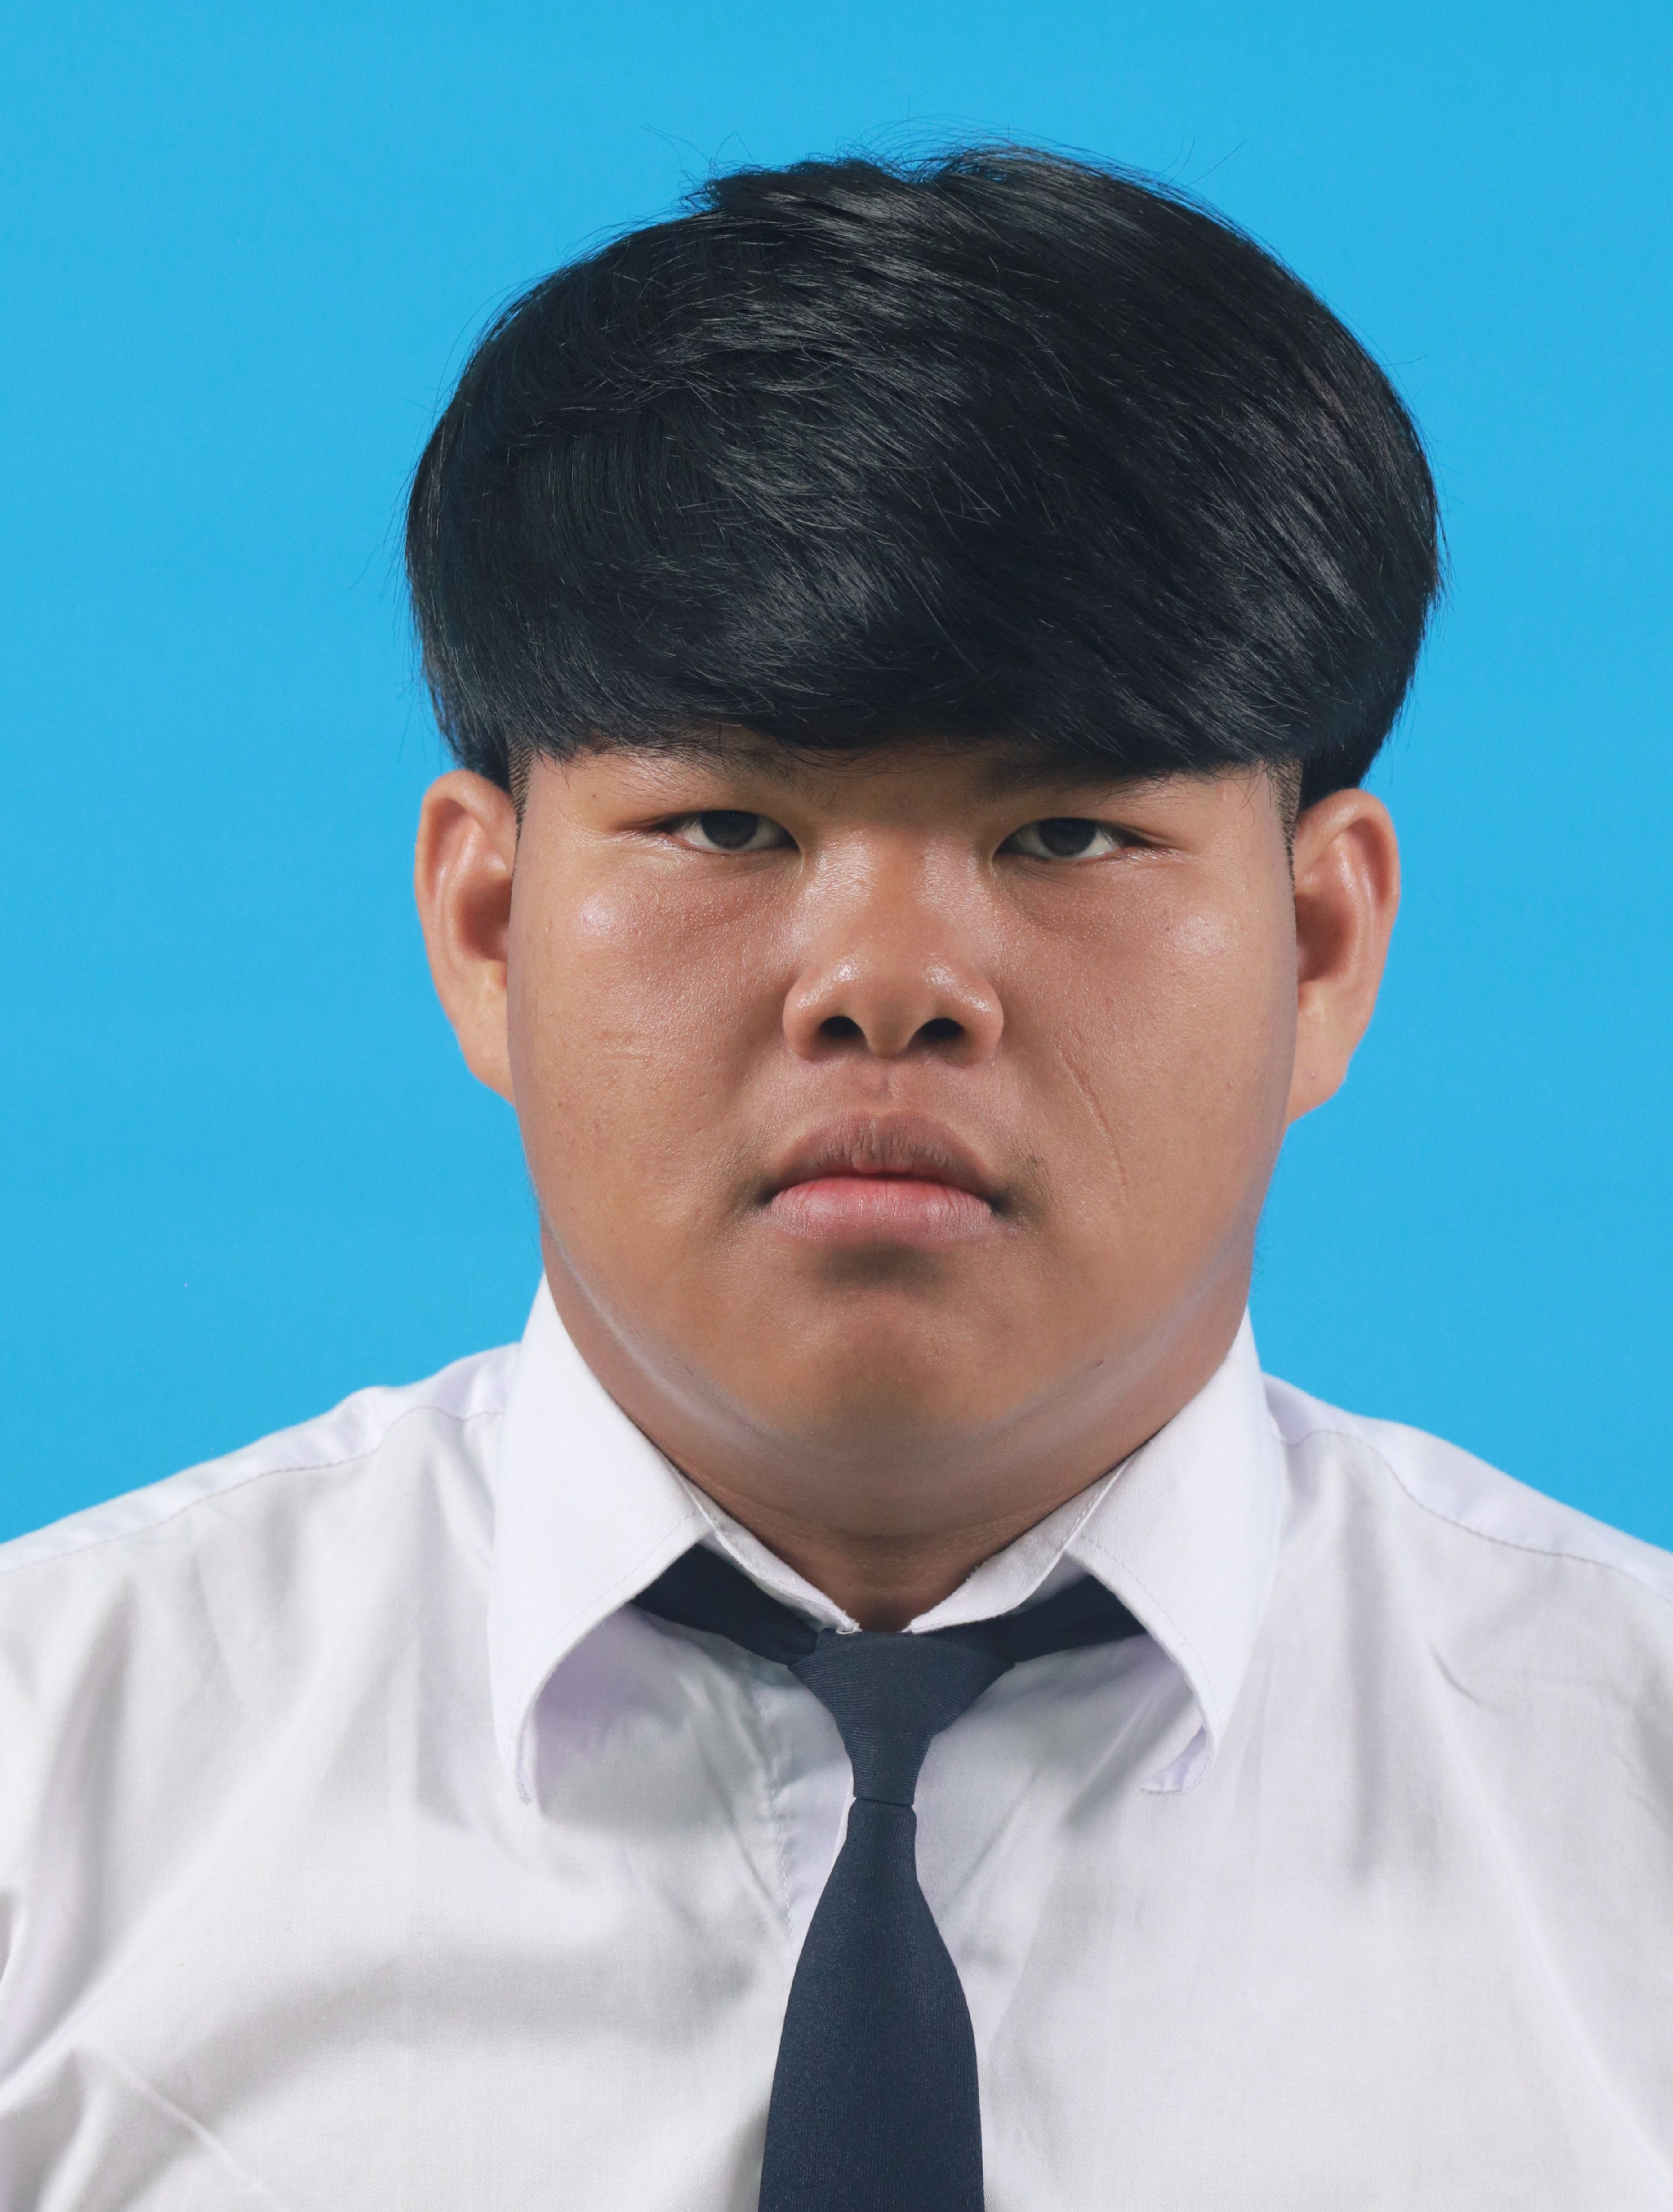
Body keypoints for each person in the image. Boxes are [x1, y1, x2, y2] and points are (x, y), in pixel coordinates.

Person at [1, 145, 1669, 2212]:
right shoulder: (45, 1793)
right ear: (487, 927)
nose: (887, 982)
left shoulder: (1633, 1811)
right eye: (728, 827)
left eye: (1065, 834)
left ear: (1320, 950)